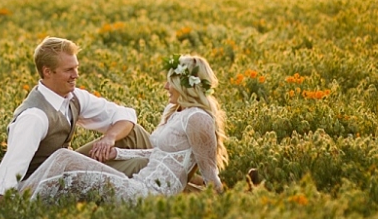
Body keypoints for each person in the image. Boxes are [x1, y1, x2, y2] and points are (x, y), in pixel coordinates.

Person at [17, 54, 227, 201]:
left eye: (170, 82)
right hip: (138, 184)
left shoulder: (198, 119)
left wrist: (223, 204)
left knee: (65, 158)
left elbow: (210, 173)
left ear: (186, 86)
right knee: (63, 158)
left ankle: (15, 202)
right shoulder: (176, 112)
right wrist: (117, 152)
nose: (165, 86)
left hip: (150, 195)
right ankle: (17, 197)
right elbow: (156, 153)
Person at [0, 37, 152, 198]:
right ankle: (157, 177)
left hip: (67, 172)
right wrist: (4, 199)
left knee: (132, 132)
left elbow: (124, 115)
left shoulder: (73, 96)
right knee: (140, 164)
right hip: (42, 187)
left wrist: (109, 137)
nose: (76, 75)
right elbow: (11, 169)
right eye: (68, 70)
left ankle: (161, 165)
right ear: (47, 71)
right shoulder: (34, 117)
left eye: (76, 68)